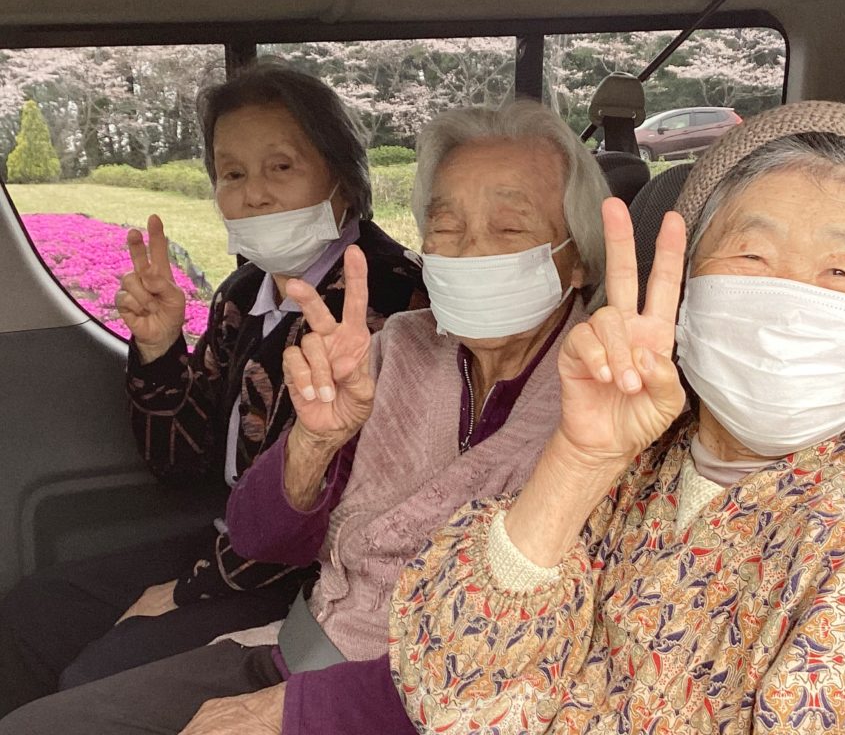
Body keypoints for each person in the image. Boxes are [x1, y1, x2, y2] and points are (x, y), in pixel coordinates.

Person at [389, 101, 845, 733]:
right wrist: (578, 461)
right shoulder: (635, 465)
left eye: (840, 271)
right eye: (751, 257)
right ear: (684, 289)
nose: (787, 302)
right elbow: (451, 695)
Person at [0, 99, 613, 735]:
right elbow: (250, 524)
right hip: (310, 641)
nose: (471, 252)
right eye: (446, 226)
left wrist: (212, 620)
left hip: (423, 701)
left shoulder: (608, 401)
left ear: (579, 259)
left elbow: (547, 656)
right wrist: (312, 444)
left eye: (509, 229)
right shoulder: (395, 346)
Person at [0, 59, 425, 716]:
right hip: (226, 541)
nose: (253, 194)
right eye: (232, 173)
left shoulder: (388, 298)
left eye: (280, 166)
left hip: (312, 575)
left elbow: (332, 512)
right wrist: (158, 348)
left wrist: (186, 591)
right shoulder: (244, 293)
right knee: (35, 611)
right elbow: (180, 462)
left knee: (97, 672)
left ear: (341, 176)